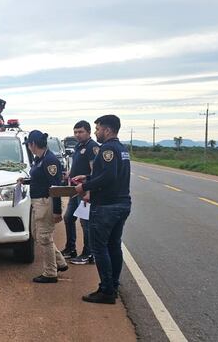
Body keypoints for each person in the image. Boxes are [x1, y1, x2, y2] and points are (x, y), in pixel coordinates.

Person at [73, 114, 131, 304]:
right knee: (114, 245)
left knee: (99, 248)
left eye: (97, 128)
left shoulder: (107, 149)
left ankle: (106, 290)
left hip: (107, 206)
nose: (96, 132)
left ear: (107, 130)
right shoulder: (121, 149)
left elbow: (108, 177)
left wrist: (85, 187)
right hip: (121, 204)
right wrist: (88, 178)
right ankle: (113, 285)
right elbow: (107, 175)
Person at [21, 130, 68, 283]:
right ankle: (60, 262)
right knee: (37, 234)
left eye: (29, 144)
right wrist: (25, 181)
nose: (28, 147)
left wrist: (56, 211)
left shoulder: (49, 160)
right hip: (38, 202)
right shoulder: (39, 159)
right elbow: (39, 179)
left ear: (33, 144)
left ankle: (50, 272)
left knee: (45, 237)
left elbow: (55, 187)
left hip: (45, 202)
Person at [62, 120, 100, 264]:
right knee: (68, 218)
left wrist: (89, 191)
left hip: (85, 191)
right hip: (74, 189)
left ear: (89, 132)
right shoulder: (79, 146)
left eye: (80, 132)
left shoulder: (92, 147)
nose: (77, 134)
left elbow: (94, 171)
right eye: (75, 132)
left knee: (85, 223)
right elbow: (77, 164)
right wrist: (69, 174)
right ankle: (70, 248)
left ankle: (88, 253)